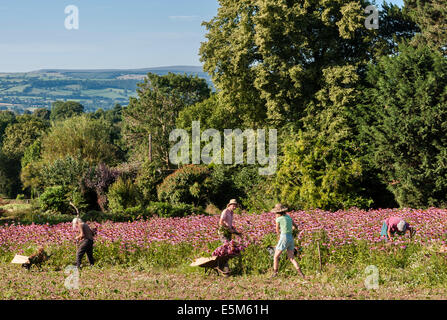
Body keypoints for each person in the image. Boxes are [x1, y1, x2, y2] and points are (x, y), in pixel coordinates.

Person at [271, 203, 304, 278]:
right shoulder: (289, 217)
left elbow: (277, 230)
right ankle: (301, 274)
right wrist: (290, 230)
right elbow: (295, 227)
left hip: (284, 237)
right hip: (290, 237)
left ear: (277, 212)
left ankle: (275, 273)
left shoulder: (278, 219)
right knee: (291, 258)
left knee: (276, 257)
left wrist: (279, 238)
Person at [217, 199, 241, 275]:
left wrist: (236, 231)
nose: (234, 207)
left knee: (230, 250)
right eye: (233, 205)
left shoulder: (231, 213)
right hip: (223, 233)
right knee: (227, 250)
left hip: (228, 233)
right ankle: (226, 270)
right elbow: (220, 222)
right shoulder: (225, 211)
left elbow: (230, 224)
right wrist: (227, 228)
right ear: (229, 205)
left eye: (235, 206)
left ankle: (222, 267)